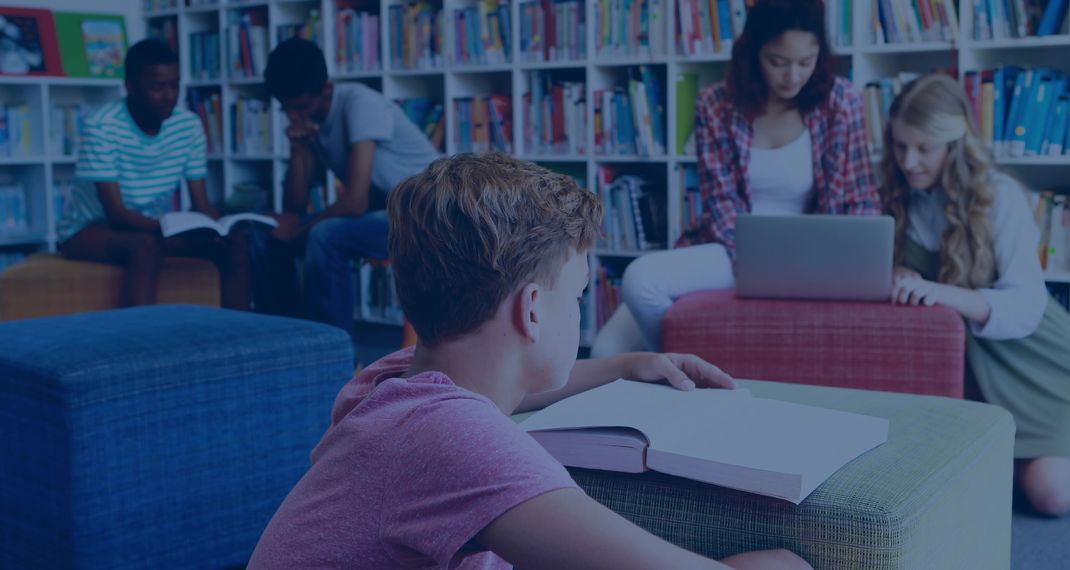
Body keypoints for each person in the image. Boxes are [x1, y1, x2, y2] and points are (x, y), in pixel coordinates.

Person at [248, 154, 810, 569]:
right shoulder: (457, 439)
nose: (582, 313)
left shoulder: (392, 382)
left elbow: (512, 382)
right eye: (581, 294)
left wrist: (625, 365)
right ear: (533, 311)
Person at [591, 0, 880, 356]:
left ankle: (679, 365)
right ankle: (673, 365)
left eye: (806, 62)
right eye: (778, 62)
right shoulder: (715, 104)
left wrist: (857, 264)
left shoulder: (841, 101)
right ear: (753, 52)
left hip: (815, 259)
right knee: (620, 318)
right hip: (733, 252)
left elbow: (860, 198)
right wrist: (760, 267)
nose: (793, 77)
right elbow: (721, 203)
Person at [883, 74, 1070, 517]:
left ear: (954, 145)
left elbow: (1027, 306)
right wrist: (896, 273)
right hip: (972, 365)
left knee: (1051, 495)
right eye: (900, 146)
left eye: (923, 149)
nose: (909, 161)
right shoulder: (901, 196)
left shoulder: (1000, 196)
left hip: (1036, 363)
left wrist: (938, 291)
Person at [252, 37, 439, 338]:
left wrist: (296, 232)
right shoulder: (310, 119)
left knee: (326, 236)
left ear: (326, 89)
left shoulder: (360, 104)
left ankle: (332, 350)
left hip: (423, 213)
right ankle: (284, 340)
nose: (295, 117)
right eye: (287, 110)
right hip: (382, 213)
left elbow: (355, 203)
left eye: (301, 107)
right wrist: (299, 149)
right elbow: (294, 209)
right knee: (264, 237)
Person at [56, 39, 250, 309]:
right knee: (145, 247)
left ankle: (239, 337)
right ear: (131, 86)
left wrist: (219, 227)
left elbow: (201, 203)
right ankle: (141, 345)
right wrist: (169, 231)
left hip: (154, 226)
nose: (169, 95)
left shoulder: (188, 126)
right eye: (158, 87)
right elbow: (117, 214)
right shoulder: (102, 126)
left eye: (175, 85)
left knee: (234, 244)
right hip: (89, 230)